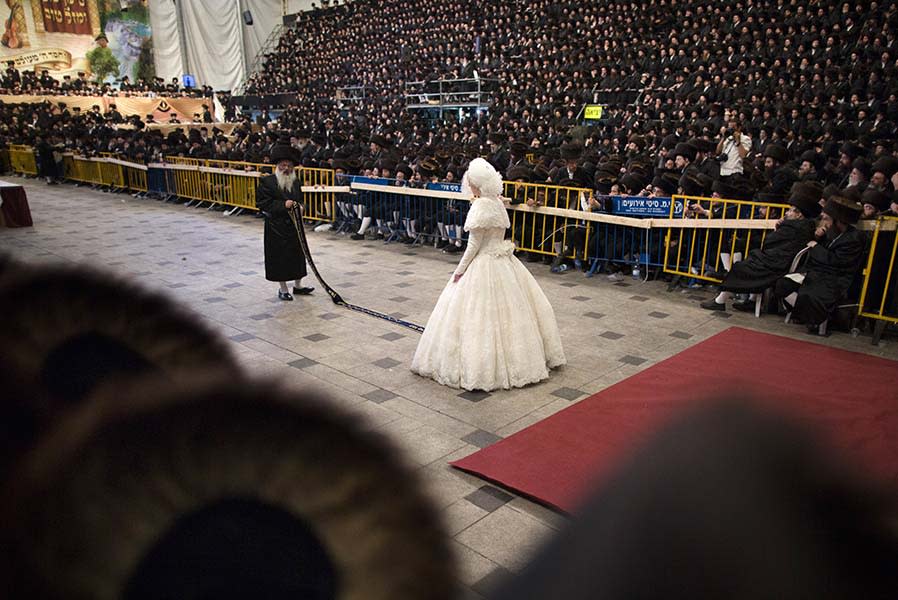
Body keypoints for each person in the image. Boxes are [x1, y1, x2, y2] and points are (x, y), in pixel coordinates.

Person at [411, 158, 565, 391]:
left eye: (471, 181)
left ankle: (483, 369)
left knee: (478, 317)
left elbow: (473, 246)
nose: (469, 185)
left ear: (477, 184)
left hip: (483, 263)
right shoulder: (497, 203)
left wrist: (459, 271)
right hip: (504, 262)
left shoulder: (481, 206)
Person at [701, 182, 822, 312]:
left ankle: (720, 301)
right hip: (778, 262)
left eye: (790, 210)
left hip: (775, 266)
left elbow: (769, 241)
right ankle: (750, 300)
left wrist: (778, 228)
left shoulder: (793, 228)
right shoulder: (803, 227)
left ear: (799, 214)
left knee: (740, 268)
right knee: (748, 261)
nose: (787, 213)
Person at [774, 193, 866, 329]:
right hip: (815, 272)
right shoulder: (830, 232)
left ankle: (814, 319)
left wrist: (816, 246)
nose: (825, 223)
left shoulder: (853, 239)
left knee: (810, 295)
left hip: (834, 278)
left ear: (839, 221)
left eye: (827, 219)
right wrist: (817, 237)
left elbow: (837, 261)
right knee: (783, 284)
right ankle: (805, 314)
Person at [254, 138, 313, 301]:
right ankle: (283, 288)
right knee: (280, 258)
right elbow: (263, 204)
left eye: (289, 166)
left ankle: (298, 285)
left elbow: (300, 200)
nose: (286, 168)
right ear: (277, 166)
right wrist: (284, 204)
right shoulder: (267, 182)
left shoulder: (296, 182)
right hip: (276, 227)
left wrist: (301, 207)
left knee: (297, 256)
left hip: (295, 225)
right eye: (283, 165)